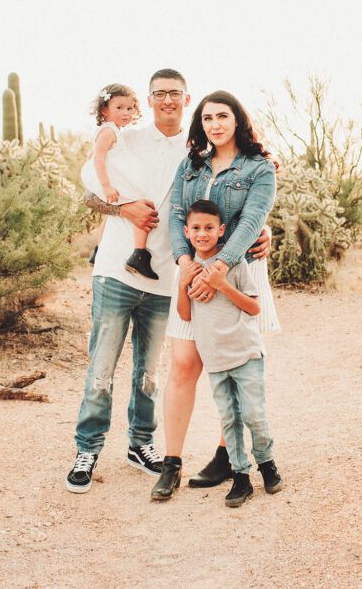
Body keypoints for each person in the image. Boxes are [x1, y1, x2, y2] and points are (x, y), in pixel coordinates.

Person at [67, 70, 271, 494]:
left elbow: (228, 208)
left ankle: (141, 445)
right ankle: (87, 449)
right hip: (119, 269)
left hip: (169, 279)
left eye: (175, 94)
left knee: (151, 371)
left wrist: (263, 232)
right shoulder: (128, 137)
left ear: (186, 98)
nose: (167, 101)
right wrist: (123, 209)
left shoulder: (196, 149)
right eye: (159, 94)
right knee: (102, 365)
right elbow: (89, 188)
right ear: (149, 98)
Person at [151, 90, 280, 501]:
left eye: (222, 116)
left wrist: (219, 267)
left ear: (238, 120)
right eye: (207, 118)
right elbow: (175, 215)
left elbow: (252, 221)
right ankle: (171, 462)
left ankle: (229, 456)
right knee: (184, 364)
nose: (214, 125)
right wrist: (186, 263)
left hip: (234, 272)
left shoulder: (259, 168)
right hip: (191, 272)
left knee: (234, 362)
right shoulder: (191, 166)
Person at [173, 200, 283, 507]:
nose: (202, 234)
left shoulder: (234, 264)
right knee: (230, 420)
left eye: (209, 228)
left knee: (254, 416)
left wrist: (221, 284)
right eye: (196, 228)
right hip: (216, 361)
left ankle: (267, 463)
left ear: (221, 231)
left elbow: (253, 307)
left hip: (246, 355)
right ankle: (241, 477)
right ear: (186, 232)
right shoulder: (190, 269)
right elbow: (185, 315)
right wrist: (183, 284)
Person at [80, 83, 157, 279]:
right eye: (119, 108)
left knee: (112, 214)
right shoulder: (108, 131)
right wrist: (106, 186)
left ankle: (98, 250)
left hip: (111, 175)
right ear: (105, 109)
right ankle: (139, 253)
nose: (126, 113)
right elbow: (97, 157)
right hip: (109, 177)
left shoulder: (112, 130)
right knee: (142, 202)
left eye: (130, 108)